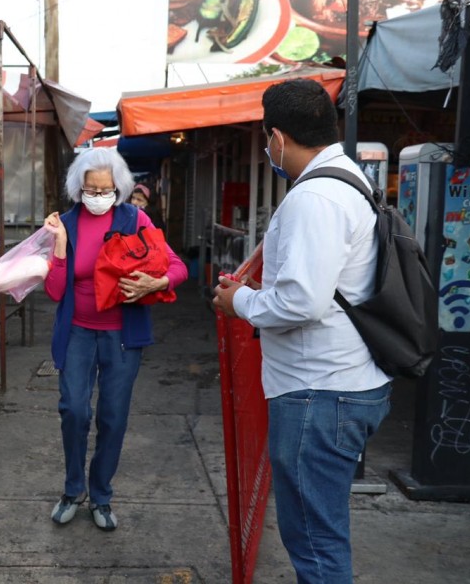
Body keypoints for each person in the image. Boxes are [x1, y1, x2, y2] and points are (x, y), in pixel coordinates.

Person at [212, 79, 392, 582]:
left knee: (315, 543)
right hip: (342, 385)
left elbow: (302, 301)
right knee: (322, 532)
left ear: (277, 137)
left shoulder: (316, 198)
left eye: (267, 139)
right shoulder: (351, 179)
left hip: (321, 395)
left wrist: (238, 301)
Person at [43, 148, 187, 531]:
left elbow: (177, 267)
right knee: (74, 410)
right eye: (91, 188)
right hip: (76, 331)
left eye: (106, 189)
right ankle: (73, 489)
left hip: (122, 335)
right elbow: (56, 292)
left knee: (113, 417)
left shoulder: (134, 218)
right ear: (79, 187)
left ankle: (101, 494)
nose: (98, 195)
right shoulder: (66, 224)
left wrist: (159, 282)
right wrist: (58, 247)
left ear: (118, 188)